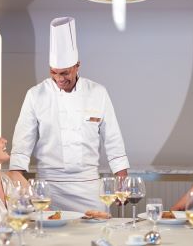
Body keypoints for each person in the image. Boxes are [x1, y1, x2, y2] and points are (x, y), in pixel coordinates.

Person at [9, 17, 129, 212]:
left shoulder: (98, 92)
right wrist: (17, 186)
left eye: (64, 73)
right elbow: (22, 145)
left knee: (96, 233)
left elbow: (113, 139)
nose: (59, 79)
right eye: (53, 73)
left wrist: (122, 180)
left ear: (77, 66)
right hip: (49, 189)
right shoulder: (35, 95)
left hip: (89, 187)